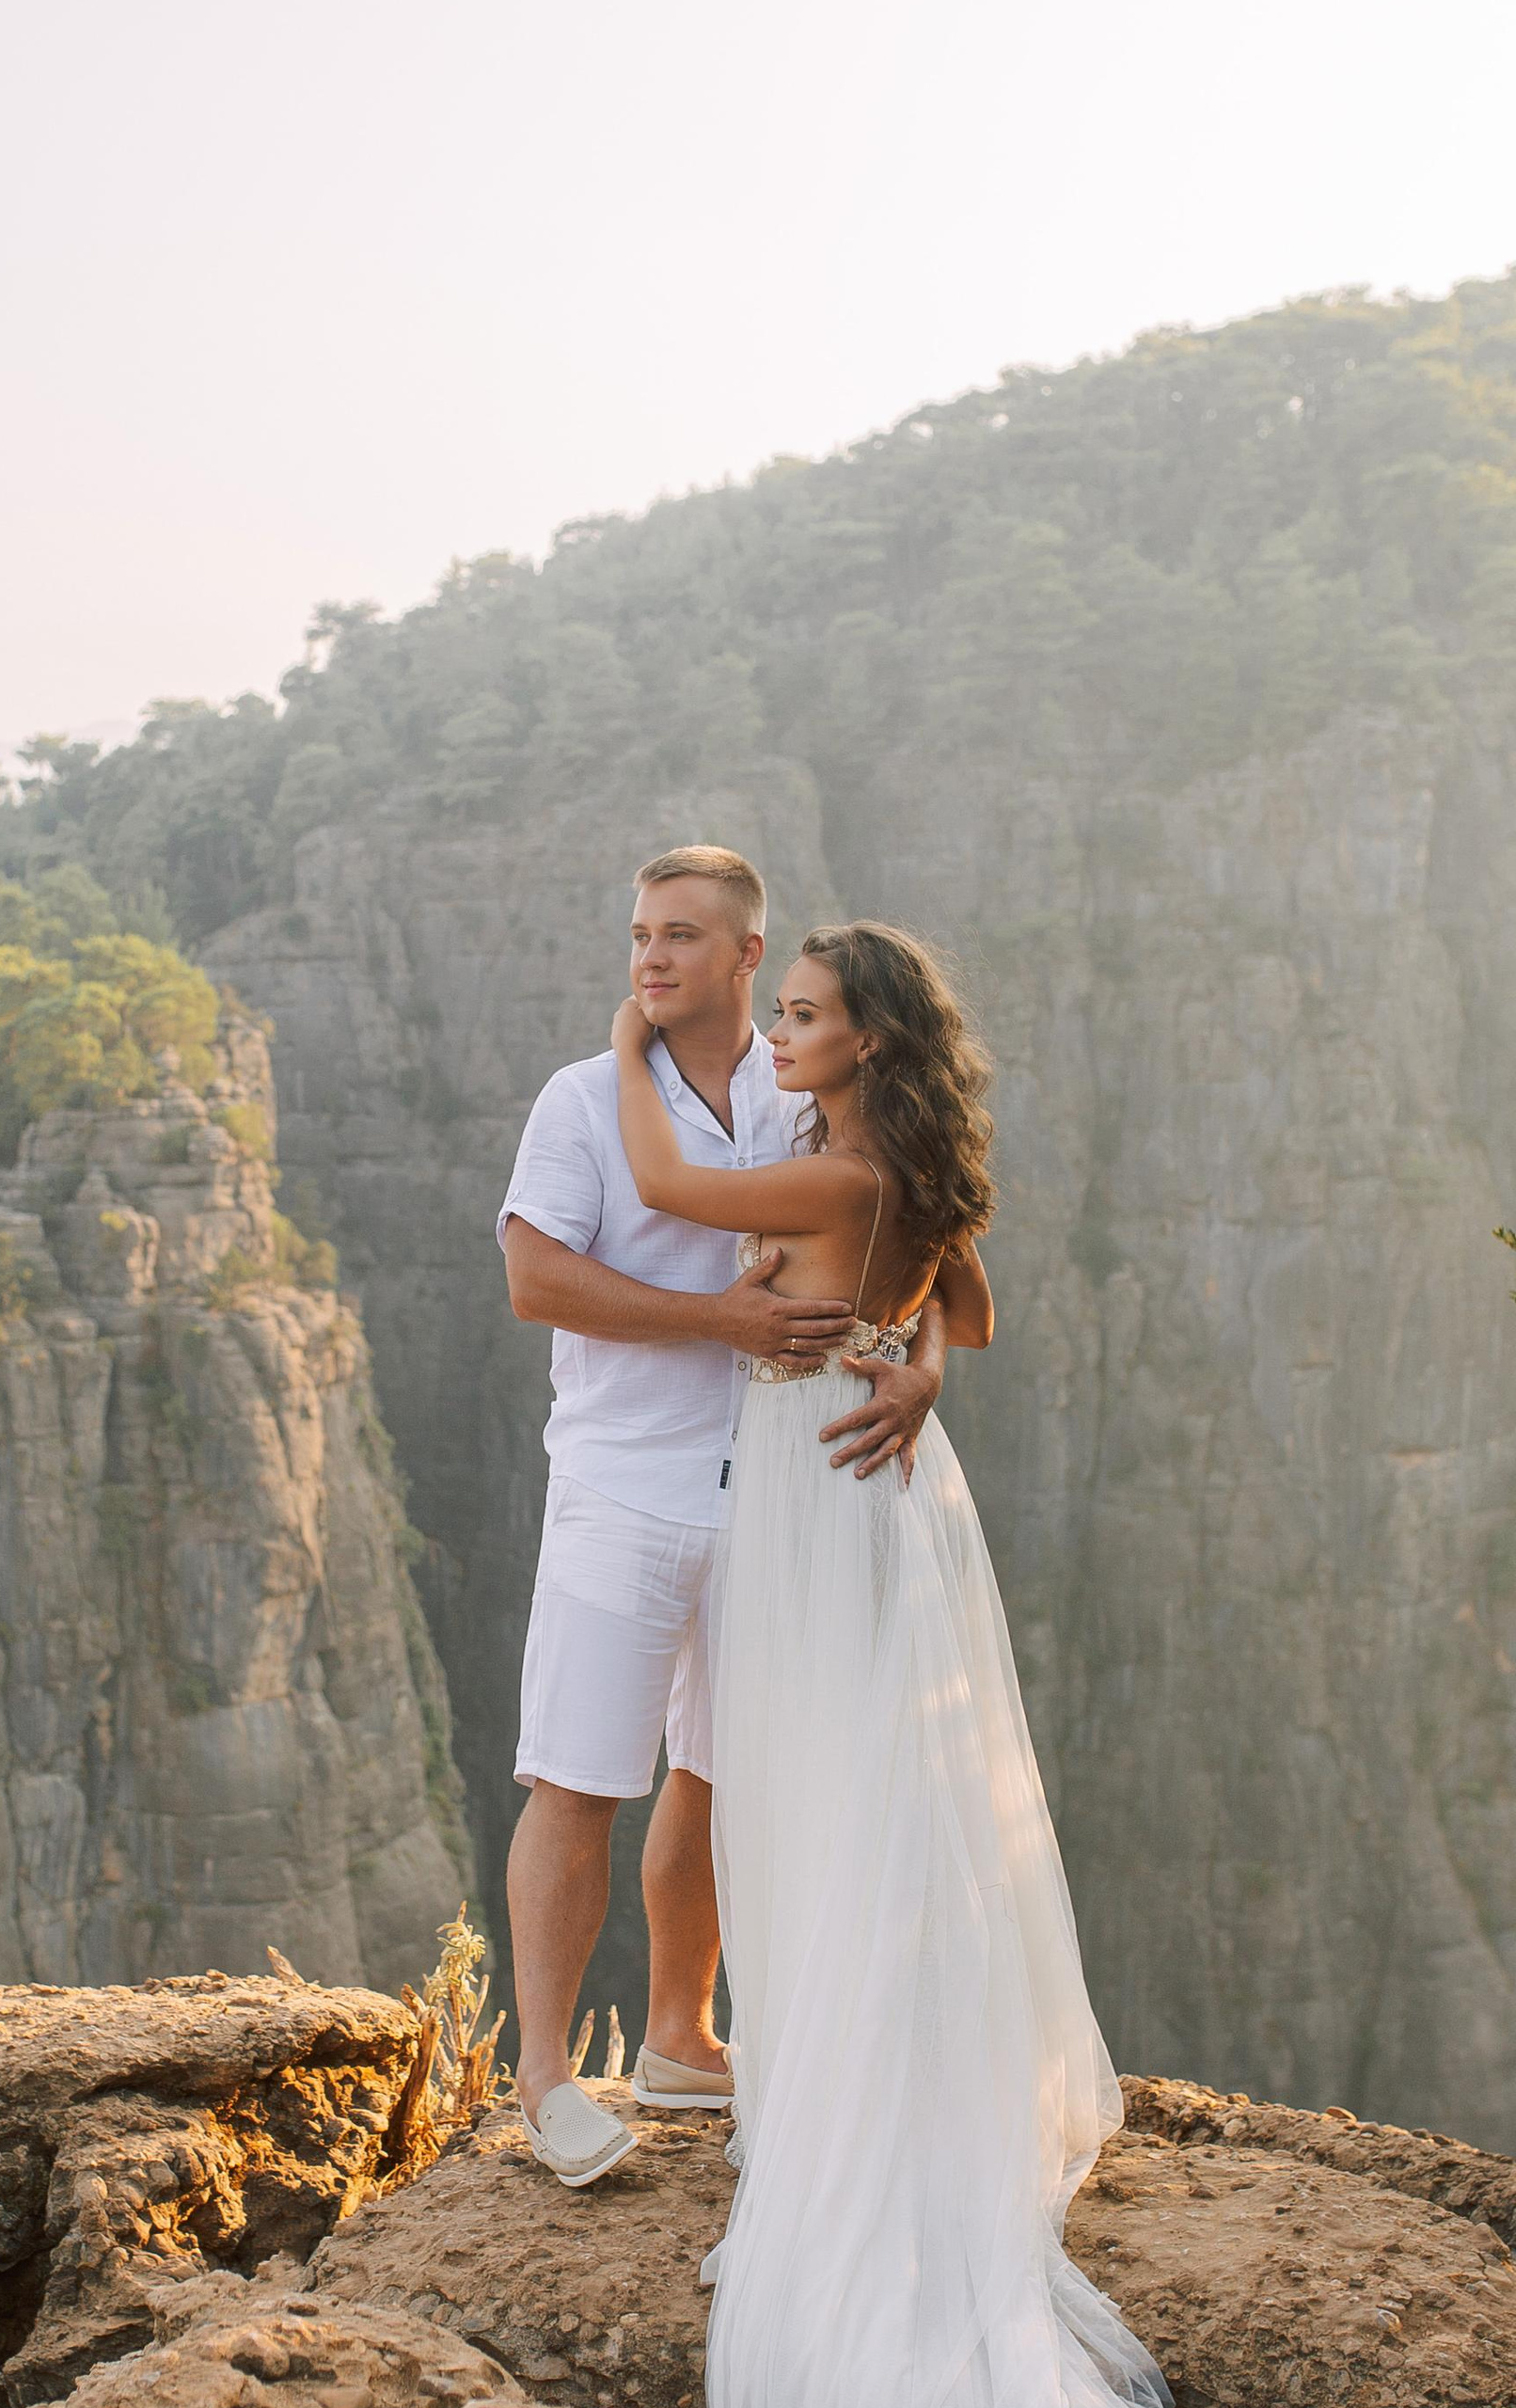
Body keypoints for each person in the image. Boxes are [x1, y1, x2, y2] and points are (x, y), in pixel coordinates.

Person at [609, 921, 1169, 2407]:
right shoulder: (907, 1174)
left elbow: (666, 1186)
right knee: (875, 1787)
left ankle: (848, 2110)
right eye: (777, 1012)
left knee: (820, 1794)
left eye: (801, 1018)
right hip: (884, 1482)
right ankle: (884, 2080)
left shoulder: (842, 1175)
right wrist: (910, 1352)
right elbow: (971, 1309)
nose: (780, 1036)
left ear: (867, 1039)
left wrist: (629, 1047)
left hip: (815, 1483)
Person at [497, 846, 976, 2188]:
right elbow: (536, 1278)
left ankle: (679, 2038)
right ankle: (543, 2078)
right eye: (640, 933)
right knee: (580, 1775)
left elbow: (916, 1241)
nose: (651, 958)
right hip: (623, 1486)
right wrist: (721, 1318)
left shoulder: (802, 1097)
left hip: (777, 1490)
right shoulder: (586, 1101)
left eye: (683, 936)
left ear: (748, 957)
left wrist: (921, 1369)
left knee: (716, 1770)